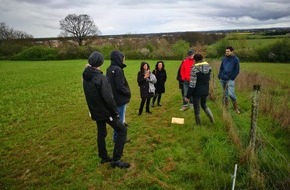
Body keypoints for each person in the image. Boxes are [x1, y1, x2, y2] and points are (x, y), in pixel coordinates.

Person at [82, 51, 130, 169]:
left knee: (101, 133)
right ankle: (116, 160)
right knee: (122, 130)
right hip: (105, 112)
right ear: (100, 62)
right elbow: (108, 98)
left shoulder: (86, 77)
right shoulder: (100, 78)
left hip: (95, 111)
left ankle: (103, 157)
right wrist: (115, 113)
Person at [106, 50, 131, 143]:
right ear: (118, 58)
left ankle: (116, 137)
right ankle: (118, 138)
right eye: (122, 59)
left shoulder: (109, 69)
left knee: (117, 119)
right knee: (120, 120)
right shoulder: (118, 70)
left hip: (113, 98)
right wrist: (128, 92)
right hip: (120, 99)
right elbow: (120, 86)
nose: (123, 61)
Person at [185, 54, 214, 125]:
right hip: (205, 90)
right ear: (202, 58)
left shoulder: (194, 69)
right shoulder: (209, 67)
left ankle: (198, 125)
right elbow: (209, 79)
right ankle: (212, 120)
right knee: (204, 105)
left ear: (195, 60)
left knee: (197, 109)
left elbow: (192, 84)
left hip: (197, 92)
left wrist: (187, 96)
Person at [218, 46, 240, 114]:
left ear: (232, 51)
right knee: (225, 94)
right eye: (226, 51)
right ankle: (225, 108)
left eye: (228, 51)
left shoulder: (235, 59)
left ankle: (236, 108)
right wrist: (220, 75)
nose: (226, 53)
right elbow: (221, 68)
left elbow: (237, 70)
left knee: (231, 94)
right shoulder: (224, 59)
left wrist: (232, 78)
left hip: (230, 79)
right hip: (223, 79)